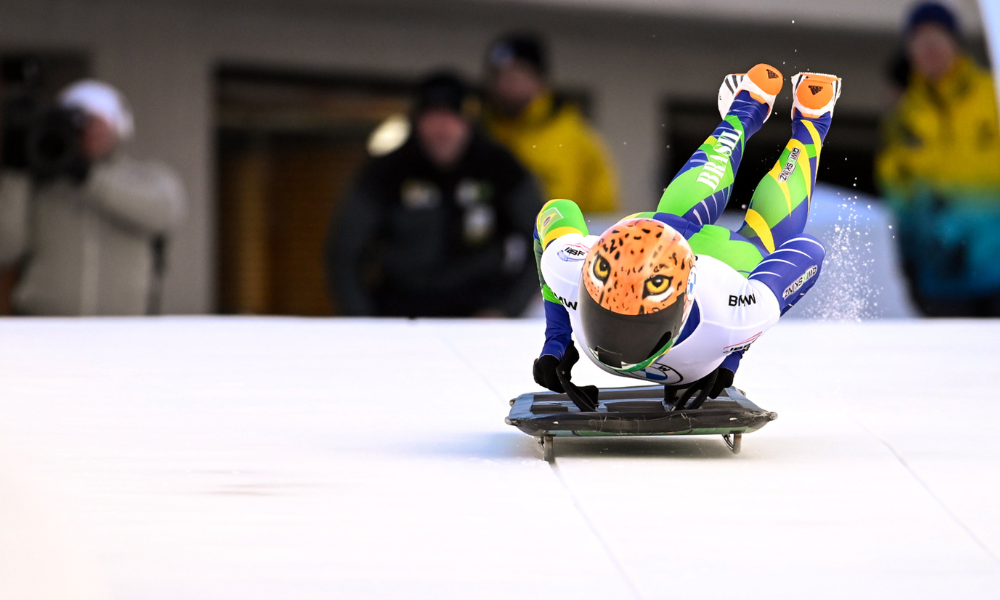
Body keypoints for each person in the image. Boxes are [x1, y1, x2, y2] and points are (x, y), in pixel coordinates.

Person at [530, 64, 839, 408]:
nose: (618, 347)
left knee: (762, 245)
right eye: (604, 316)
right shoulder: (572, 268)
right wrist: (555, 341)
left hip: (722, 267)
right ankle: (763, 110)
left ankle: (794, 119)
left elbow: (809, 252)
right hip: (659, 234)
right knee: (694, 224)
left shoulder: (730, 308)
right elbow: (554, 212)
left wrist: (733, 352)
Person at [327, 72, 543, 317]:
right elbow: (344, 253)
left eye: (451, 117)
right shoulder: (387, 172)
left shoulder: (499, 168)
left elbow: (542, 240)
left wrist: (506, 310)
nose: (441, 129)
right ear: (416, 121)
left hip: (479, 318)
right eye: (432, 117)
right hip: (402, 315)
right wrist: (365, 320)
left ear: (468, 122)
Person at [0, 79, 186, 315]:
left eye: (95, 122)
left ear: (118, 127)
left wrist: (87, 176)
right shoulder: (41, 186)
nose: (87, 132)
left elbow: (164, 213)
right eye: (77, 123)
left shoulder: (144, 178)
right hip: (45, 328)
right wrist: (16, 173)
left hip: (123, 328)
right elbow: (5, 248)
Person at [876, 2, 1000, 316]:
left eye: (937, 39)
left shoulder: (991, 95)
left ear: (955, 43)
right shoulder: (903, 115)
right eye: (920, 41)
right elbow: (896, 195)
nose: (930, 49)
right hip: (941, 280)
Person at [483, 33, 619, 214]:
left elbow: (602, 211)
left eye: (516, 73)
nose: (505, 83)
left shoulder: (573, 136)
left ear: (539, 78)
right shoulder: (482, 131)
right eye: (498, 75)